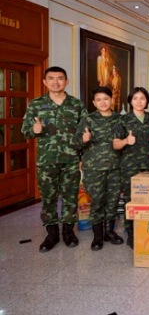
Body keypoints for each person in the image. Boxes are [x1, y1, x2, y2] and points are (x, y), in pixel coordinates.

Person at [21, 66, 87, 252]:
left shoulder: (77, 105)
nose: (56, 82)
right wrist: (33, 130)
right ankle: (51, 234)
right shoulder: (36, 104)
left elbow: (83, 133)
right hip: (46, 160)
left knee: (70, 197)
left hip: (71, 159)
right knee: (48, 198)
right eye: (51, 78)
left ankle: (68, 232)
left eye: (60, 78)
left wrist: (82, 156)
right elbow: (25, 131)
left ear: (66, 81)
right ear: (45, 82)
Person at [78, 86, 123, 250]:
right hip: (94, 168)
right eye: (98, 100)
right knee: (97, 201)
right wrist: (83, 139)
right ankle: (97, 236)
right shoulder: (88, 119)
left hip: (115, 167)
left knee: (112, 200)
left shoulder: (120, 119)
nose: (103, 102)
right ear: (94, 102)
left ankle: (109, 232)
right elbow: (76, 143)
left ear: (112, 100)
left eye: (106, 99)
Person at [113, 87, 149, 249]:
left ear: (147, 101)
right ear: (130, 101)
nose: (139, 101)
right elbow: (115, 144)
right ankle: (131, 232)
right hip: (130, 167)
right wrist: (126, 141)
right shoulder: (123, 120)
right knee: (131, 200)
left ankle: (147, 229)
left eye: (142, 98)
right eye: (135, 98)